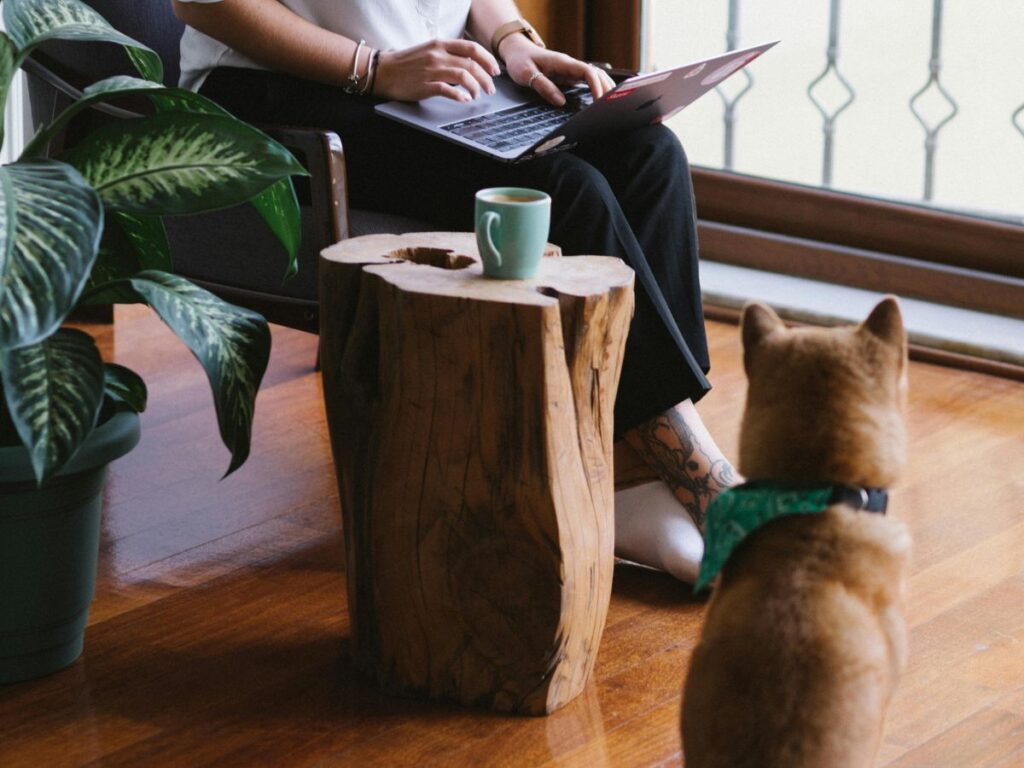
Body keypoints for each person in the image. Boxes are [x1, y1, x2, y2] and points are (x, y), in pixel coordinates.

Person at [172, 0, 738, 582]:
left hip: (432, 88)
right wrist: (374, 69)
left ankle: (632, 467)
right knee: (563, 191)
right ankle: (695, 474)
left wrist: (514, 43)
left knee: (650, 154)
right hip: (280, 92)